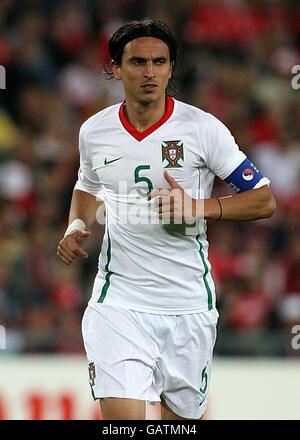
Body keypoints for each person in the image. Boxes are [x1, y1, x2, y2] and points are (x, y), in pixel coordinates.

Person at [57, 18, 276, 420]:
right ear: (116, 68)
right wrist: (76, 225)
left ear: (171, 68)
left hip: (188, 305)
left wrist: (201, 207)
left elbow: (263, 200)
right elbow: (87, 187)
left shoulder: (203, 129)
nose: (150, 72)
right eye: (138, 62)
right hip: (118, 302)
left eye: (160, 62)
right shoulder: (95, 131)